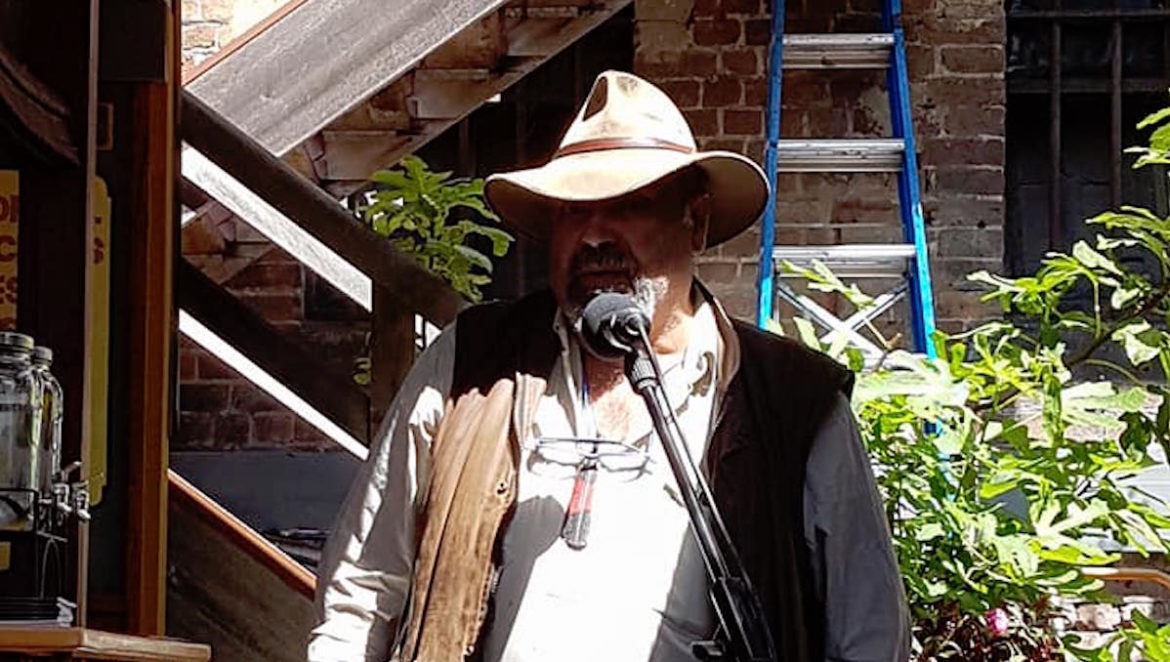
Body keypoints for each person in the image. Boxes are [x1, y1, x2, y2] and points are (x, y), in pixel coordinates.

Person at [308, 70, 909, 662]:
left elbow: (870, 637)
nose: (594, 235)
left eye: (629, 205)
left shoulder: (793, 404)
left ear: (693, 220)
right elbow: (362, 588)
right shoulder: (473, 366)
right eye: (572, 211)